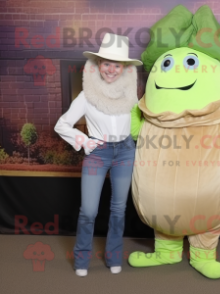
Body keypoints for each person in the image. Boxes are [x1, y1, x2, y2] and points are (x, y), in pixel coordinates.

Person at [54, 33, 142, 277]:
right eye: (106, 63)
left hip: (125, 151)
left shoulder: (130, 95)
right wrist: (83, 141)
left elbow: (138, 122)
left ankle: (114, 256)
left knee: (118, 208)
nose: (111, 70)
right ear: (98, 64)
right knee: (89, 211)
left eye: (117, 64)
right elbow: (62, 125)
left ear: (124, 68)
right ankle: (82, 260)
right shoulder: (87, 96)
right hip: (98, 153)